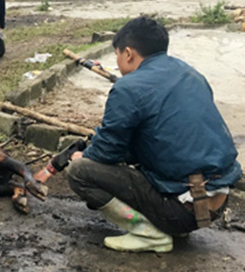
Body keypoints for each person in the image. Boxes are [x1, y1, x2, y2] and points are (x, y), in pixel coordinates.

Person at [65, 16, 241, 253]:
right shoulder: (189, 72)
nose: (117, 63)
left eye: (117, 55)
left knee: (79, 172)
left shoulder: (128, 87)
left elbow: (107, 150)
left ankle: (148, 234)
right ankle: (173, 225)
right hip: (216, 201)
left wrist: (84, 156)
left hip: (183, 210)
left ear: (128, 53)